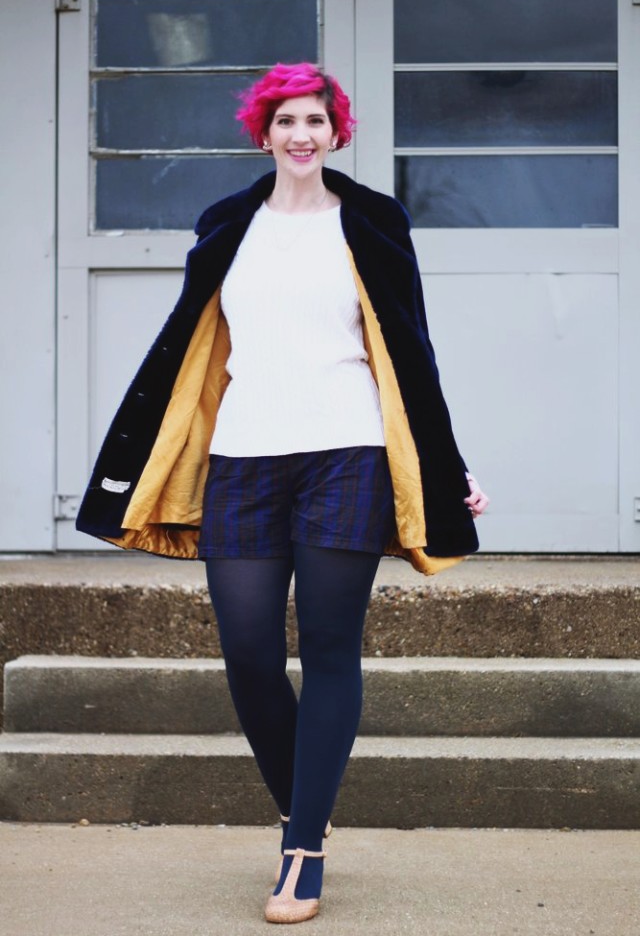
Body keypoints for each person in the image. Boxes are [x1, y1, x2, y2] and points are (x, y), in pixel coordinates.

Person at [76, 62, 489, 924]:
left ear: (339, 132)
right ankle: (307, 805)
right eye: (286, 120)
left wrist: (446, 469)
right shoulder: (228, 223)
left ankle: (302, 848)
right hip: (244, 457)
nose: (302, 134)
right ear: (262, 133)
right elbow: (185, 352)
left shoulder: (373, 221)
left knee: (331, 648)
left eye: (317, 119)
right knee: (252, 656)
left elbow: (413, 352)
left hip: (349, 452)